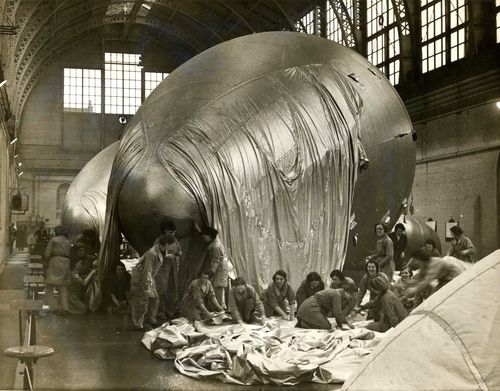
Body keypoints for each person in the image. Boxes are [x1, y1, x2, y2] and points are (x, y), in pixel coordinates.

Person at [129, 235, 169, 330]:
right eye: (171, 245)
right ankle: (137, 324)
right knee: (141, 302)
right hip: (142, 279)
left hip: (149, 277)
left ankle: (150, 319)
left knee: (155, 298)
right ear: (163, 245)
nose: (172, 247)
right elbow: (147, 271)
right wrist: (147, 287)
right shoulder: (152, 254)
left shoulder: (162, 251)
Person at [43, 226, 72, 313]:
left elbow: (47, 253)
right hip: (66, 262)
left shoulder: (53, 240)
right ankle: (64, 308)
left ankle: (51, 306)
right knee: (63, 287)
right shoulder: (68, 242)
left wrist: (46, 262)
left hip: (55, 261)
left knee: (49, 286)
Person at [199, 226, 228, 309]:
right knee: (218, 290)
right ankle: (220, 309)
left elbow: (216, 262)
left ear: (210, 236)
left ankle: (219, 311)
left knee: (217, 290)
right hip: (221, 269)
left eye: (204, 237)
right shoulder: (215, 240)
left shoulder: (215, 246)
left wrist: (210, 274)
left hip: (218, 270)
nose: (203, 239)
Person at [155, 232, 182, 320]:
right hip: (162, 269)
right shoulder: (159, 241)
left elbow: (179, 251)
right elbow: (157, 255)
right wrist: (167, 256)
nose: (172, 233)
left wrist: (176, 254)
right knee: (161, 290)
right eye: (169, 231)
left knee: (172, 289)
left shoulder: (175, 241)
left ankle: (170, 310)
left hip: (172, 269)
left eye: (173, 232)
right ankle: (160, 312)